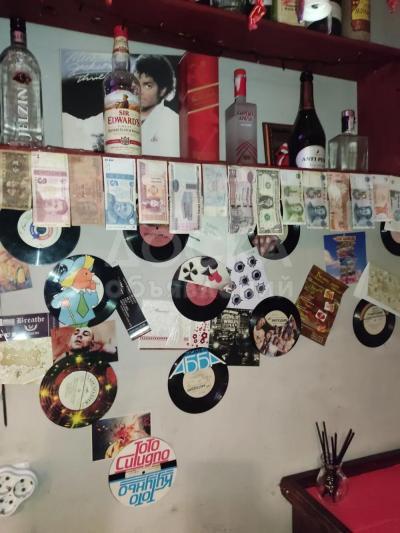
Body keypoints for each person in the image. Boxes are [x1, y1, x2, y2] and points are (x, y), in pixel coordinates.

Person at [134, 55, 180, 157]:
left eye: (148, 85)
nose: (139, 91)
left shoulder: (174, 122)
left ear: (162, 90)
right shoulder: (114, 116)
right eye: (136, 84)